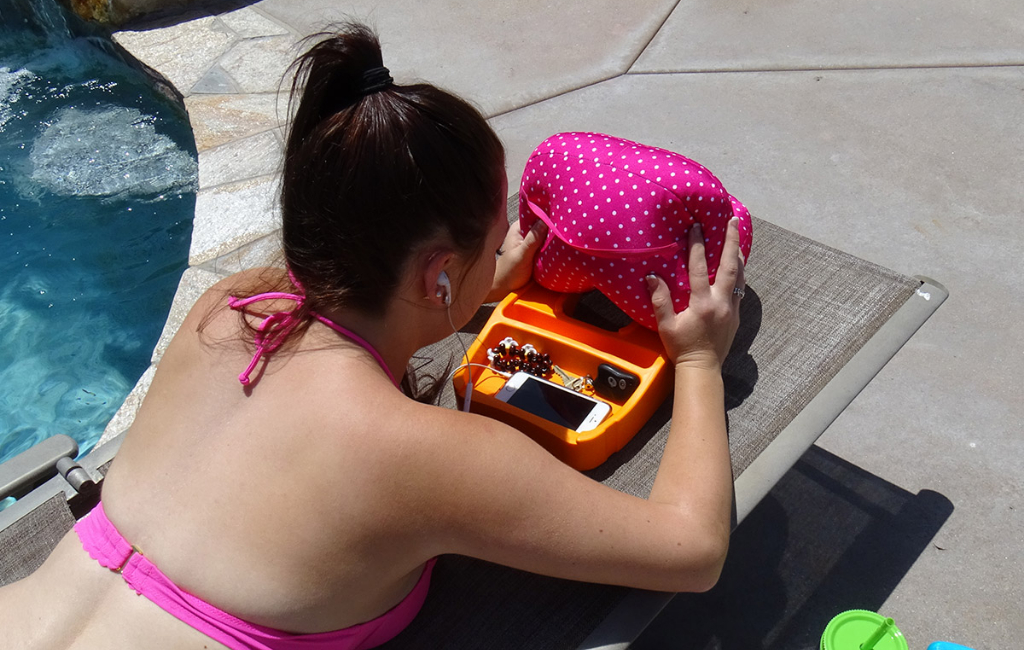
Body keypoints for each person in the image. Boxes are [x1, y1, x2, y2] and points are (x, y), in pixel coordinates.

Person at [0, 23, 744, 650]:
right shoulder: (435, 458)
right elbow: (693, 551)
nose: (508, 251)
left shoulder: (235, 307)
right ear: (438, 273)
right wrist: (702, 358)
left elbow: (335, 360)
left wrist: (471, 289)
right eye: (496, 241)